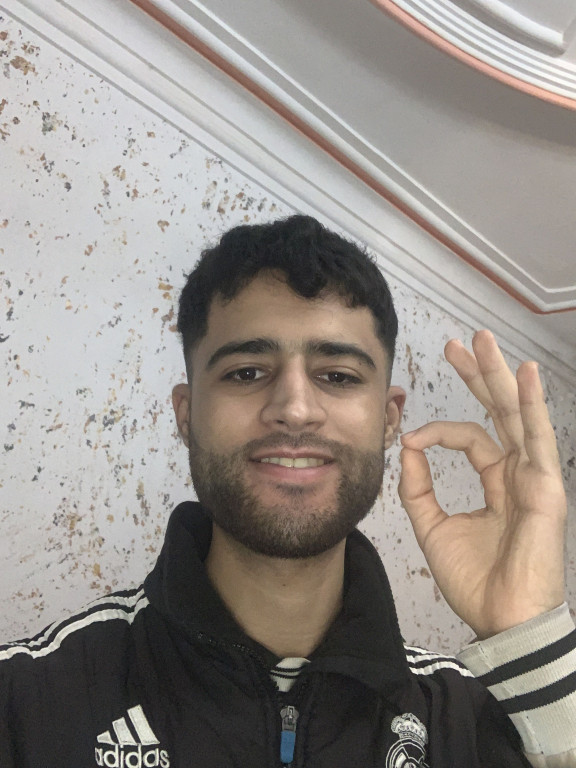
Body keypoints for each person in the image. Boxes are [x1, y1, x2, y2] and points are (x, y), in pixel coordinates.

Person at [0, 215, 574, 768]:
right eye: (246, 372)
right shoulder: (25, 702)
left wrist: (530, 636)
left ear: (389, 418)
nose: (295, 409)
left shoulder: (469, 724)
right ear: (186, 414)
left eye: (338, 376)